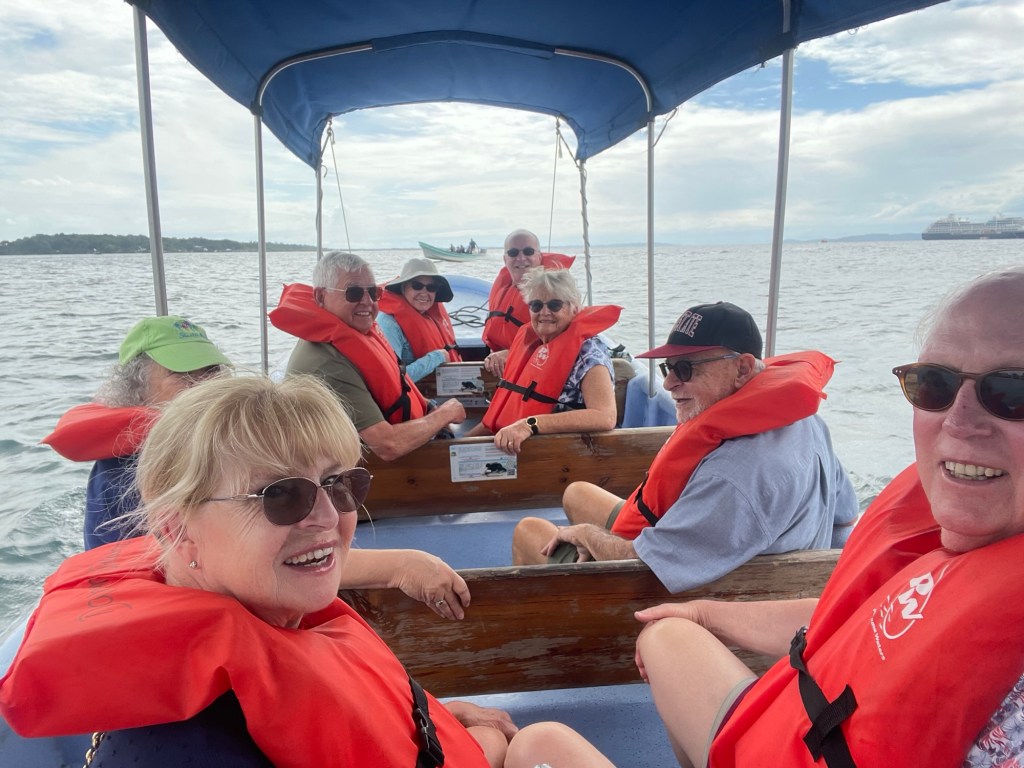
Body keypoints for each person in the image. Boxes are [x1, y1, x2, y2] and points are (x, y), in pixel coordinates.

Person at [0, 375, 608, 768]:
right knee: (543, 743)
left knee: (528, 739)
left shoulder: (263, 616)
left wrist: (428, 712)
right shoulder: (183, 745)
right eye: (281, 495)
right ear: (178, 529)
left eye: (340, 484)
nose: (327, 517)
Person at [633, 266, 1024, 767]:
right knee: (669, 633)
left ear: (744, 368)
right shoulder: (814, 431)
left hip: (807, 738)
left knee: (546, 743)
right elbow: (866, 610)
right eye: (933, 384)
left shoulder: (741, 474)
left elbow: (664, 559)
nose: (958, 422)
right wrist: (706, 613)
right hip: (804, 716)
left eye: (1012, 392)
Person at [512, 301, 858, 594]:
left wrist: (589, 536)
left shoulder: (733, 476)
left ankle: (561, 632)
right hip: (719, 560)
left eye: (684, 368)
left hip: (682, 600)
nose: (668, 382)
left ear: (742, 367)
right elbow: (844, 519)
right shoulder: (808, 423)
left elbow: (646, 566)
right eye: (668, 367)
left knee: (529, 531)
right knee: (577, 493)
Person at [41, 315, 230, 549]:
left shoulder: (231, 440)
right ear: (137, 387)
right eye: (182, 373)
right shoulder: (120, 475)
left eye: (210, 370)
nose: (204, 385)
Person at [271, 251, 466, 461]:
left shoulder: (354, 334)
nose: (367, 301)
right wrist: (446, 413)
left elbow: (397, 382)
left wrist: (429, 407)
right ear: (320, 297)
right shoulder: (329, 362)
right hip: (349, 467)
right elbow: (387, 445)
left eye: (373, 292)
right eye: (353, 293)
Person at [467, 268, 619, 455]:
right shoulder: (534, 345)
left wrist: (529, 424)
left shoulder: (589, 354)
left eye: (555, 305)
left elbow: (604, 416)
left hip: (559, 456)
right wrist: (458, 444)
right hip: (514, 447)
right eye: (536, 305)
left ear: (574, 309)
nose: (545, 312)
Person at [482, 229, 574, 376]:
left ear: (539, 256)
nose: (521, 258)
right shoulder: (503, 287)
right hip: (497, 365)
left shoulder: (555, 294)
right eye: (513, 253)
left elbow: (562, 344)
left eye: (528, 251)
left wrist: (512, 353)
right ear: (505, 259)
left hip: (535, 369)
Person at [377, 257, 462, 383]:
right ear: (403, 288)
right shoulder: (388, 324)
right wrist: (437, 357)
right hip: (413, 393)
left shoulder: (431, 315)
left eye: (431, 287)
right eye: (417, 286)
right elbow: (391, 378)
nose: (424, 293)